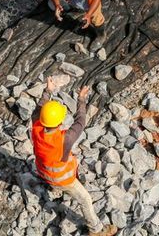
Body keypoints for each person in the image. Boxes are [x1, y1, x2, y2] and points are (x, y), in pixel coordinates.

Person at [31, 77, 117, 236]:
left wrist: (48, 89)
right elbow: (81, 121)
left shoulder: (36, 124)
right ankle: (96, 229)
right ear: (59, 123)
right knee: (85, 200)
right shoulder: (65, 139)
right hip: (62, 179)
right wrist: (81, 99)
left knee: (56, 176)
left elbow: (40, 107)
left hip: (42, 170)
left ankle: (54, 189)